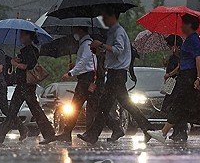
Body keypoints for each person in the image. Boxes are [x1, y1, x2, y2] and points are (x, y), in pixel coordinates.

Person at [147, 14, 200, 145]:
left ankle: (163, 133)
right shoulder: (189, 39)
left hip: (190, 77)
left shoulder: (194, 39)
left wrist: (199, 78)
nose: (181, 26)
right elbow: (186, 59)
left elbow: (198, 59)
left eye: (183, 23)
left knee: (179, 103)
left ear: (189, 25)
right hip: (187, 75)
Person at [77, 8, 152, 144]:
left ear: (113, 16)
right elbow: (112, 54)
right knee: (123, 104)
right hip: (114, 74)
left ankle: (93, 135)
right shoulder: (112, 32)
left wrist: (101, 44)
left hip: (117, 75)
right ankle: (147, 128)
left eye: (105, 16)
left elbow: (118, 50)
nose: (104, 20)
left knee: (103, 106)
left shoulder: (118, 32)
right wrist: (99, 51)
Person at [0, 30, 56, 145]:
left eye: (22, 35)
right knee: (13, 110)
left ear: (29, 36)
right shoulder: (26, 50)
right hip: (22, 84)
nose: (20, 38)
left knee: (34, 110)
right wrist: (16, 60)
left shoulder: (31, 50)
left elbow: (26, 66)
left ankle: (49, 134)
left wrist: (16, 64)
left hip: (26, 85)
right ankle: (1, 133)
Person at [55, 26, 96, 143]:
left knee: (88, 106)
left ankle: (70, 132)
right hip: (85, 78)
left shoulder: (87, 44)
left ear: (81, 31)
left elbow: (84, 62)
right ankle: (67, 132)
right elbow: (84, 62)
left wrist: (70, 73)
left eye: (75, 31)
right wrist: (74, 66)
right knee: (82, 106)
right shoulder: (84, 44)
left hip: (87, 79)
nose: (74, 34)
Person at [89, 39, 125, 142]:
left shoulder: (103, 58)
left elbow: (100, 72)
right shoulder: (97, 57)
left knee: (101, 109)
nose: (92, 50)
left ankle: (115, 129)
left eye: (94, 48)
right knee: (100, 109)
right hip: (97, 84)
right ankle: (94, 132)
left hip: (100, 85)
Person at [162, 35, 188, 142]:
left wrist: (170, 74)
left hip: (179, 86)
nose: (169, 47)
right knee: (169, 108)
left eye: (170, 45)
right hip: (172, 87)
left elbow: (179, 69)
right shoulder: (173, 57)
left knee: (176, 109)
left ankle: (181, 131)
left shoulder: (183, 57)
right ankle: (176, 130)